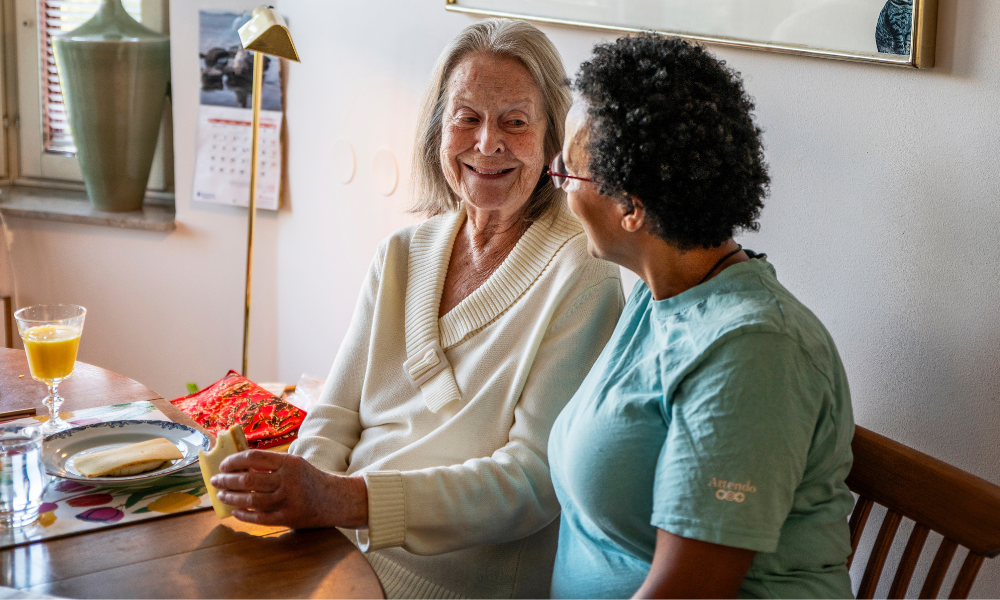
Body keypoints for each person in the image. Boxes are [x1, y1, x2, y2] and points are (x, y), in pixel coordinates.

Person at [210, 18, 624, 599]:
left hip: (447, 584)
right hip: (333, 548)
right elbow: (334, 416)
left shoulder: (584, 276)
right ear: (438, 129)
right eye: (467, 117)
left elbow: (531, 484)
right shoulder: (402, 254)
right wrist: (294, 500)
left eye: (515, 122)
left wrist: (343, 499)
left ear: (552, 139)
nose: (487, 144)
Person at [546, 35, 855, 599]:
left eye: (568, 170)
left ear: (632, 208)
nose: (560, 183)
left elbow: (689, 591)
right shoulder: (657, 294)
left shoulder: (754, 349)